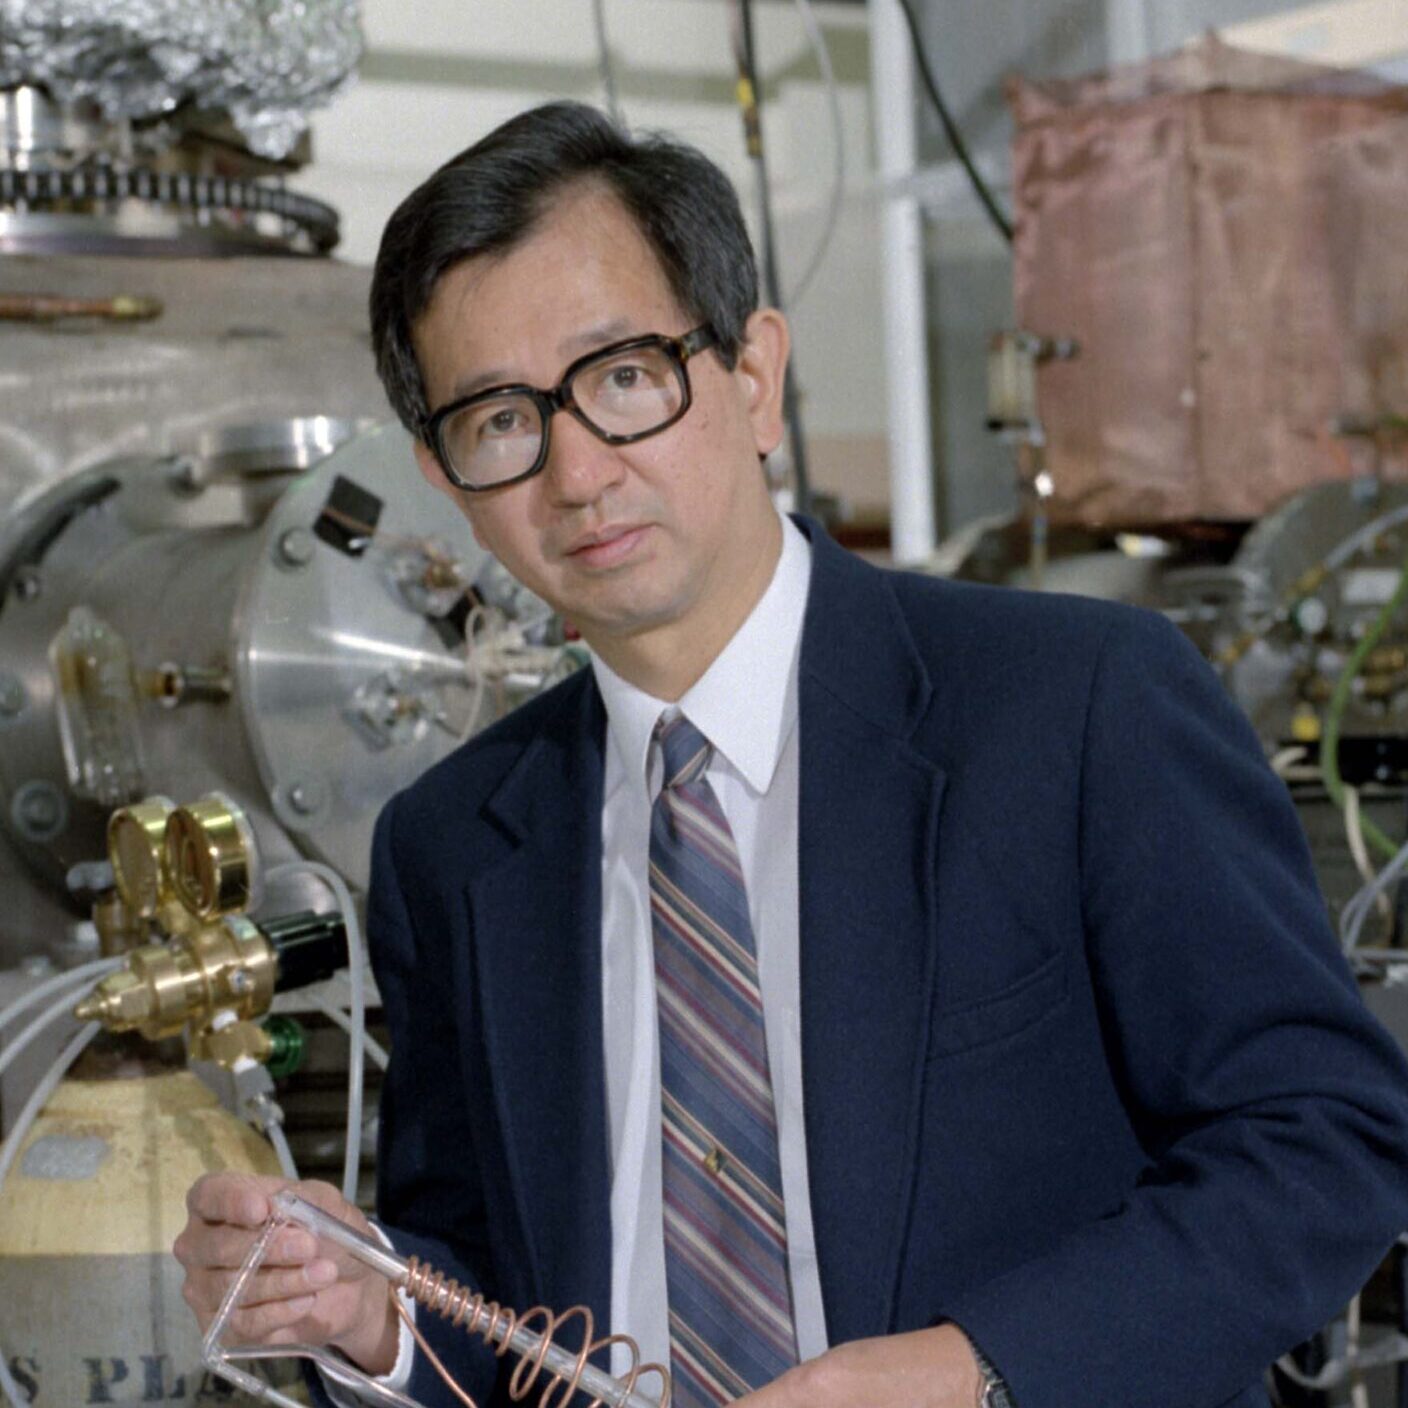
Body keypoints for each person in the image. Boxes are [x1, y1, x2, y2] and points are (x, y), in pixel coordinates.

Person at [174, 101, 1408, 1408]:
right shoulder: (456, 845)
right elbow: (500, 1298)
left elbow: (1326, 1140)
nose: (577, 472)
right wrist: (379, 1312)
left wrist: (974, 1371)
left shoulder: (1076, 709)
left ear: (753, 376)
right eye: (498, 420)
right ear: (441, 474)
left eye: (625, 377)